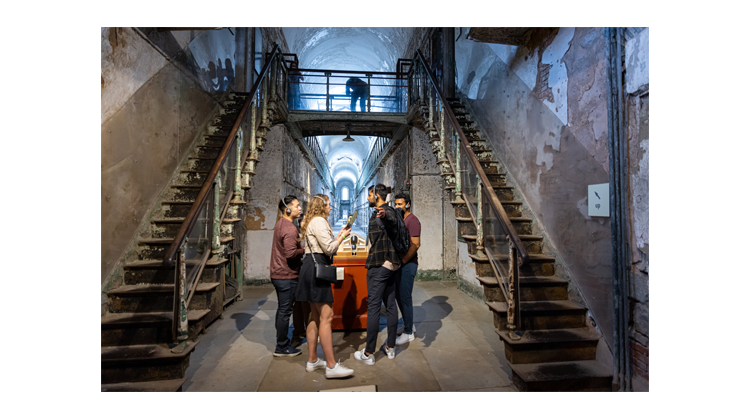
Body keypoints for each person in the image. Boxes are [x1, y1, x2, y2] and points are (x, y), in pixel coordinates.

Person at [296, 194, 354, 378]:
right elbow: (329, 249)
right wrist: (342, 237)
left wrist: (337, 236)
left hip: (310, 268)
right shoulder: (319, 221)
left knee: (315, 315)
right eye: (329, 204)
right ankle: (331, 366)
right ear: (321, 206)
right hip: (316, 269)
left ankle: (312, 360)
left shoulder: (314, 221)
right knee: (326, 316)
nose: (331, 207)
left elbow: (324, 244)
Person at [354, 184, 400, 365]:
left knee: (373, 307)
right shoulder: (394, 211)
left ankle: (369, 352)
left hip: (379, 266)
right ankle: (390, 347)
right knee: (390, 305)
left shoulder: (383, 212)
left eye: (370, 195)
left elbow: (387, 218)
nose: (367, 198)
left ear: (377, 196)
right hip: (392, 266)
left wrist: (382, 214)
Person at [269, 196, 305, 357]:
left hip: (279, 273)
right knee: (285, 311)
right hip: (286, 275)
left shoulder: (281, 224)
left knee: (282, 310)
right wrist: (306, 249)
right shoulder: (290, 229)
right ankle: (281, 347)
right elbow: (291, 254)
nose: (300, 209)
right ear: (287, 209)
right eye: (297, 206)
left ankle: (281, 342)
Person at [394, 193, 421, 345]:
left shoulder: (412, 221)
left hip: (408, 264)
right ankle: (407, 324)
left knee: (405, 297)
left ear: (408, 205)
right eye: (396, 204)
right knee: (399, 295)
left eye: (400, 204)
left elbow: (416, 244)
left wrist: (404, 261)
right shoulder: (401, 220)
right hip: (401, 264)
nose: (398, 206)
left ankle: (409, 332)